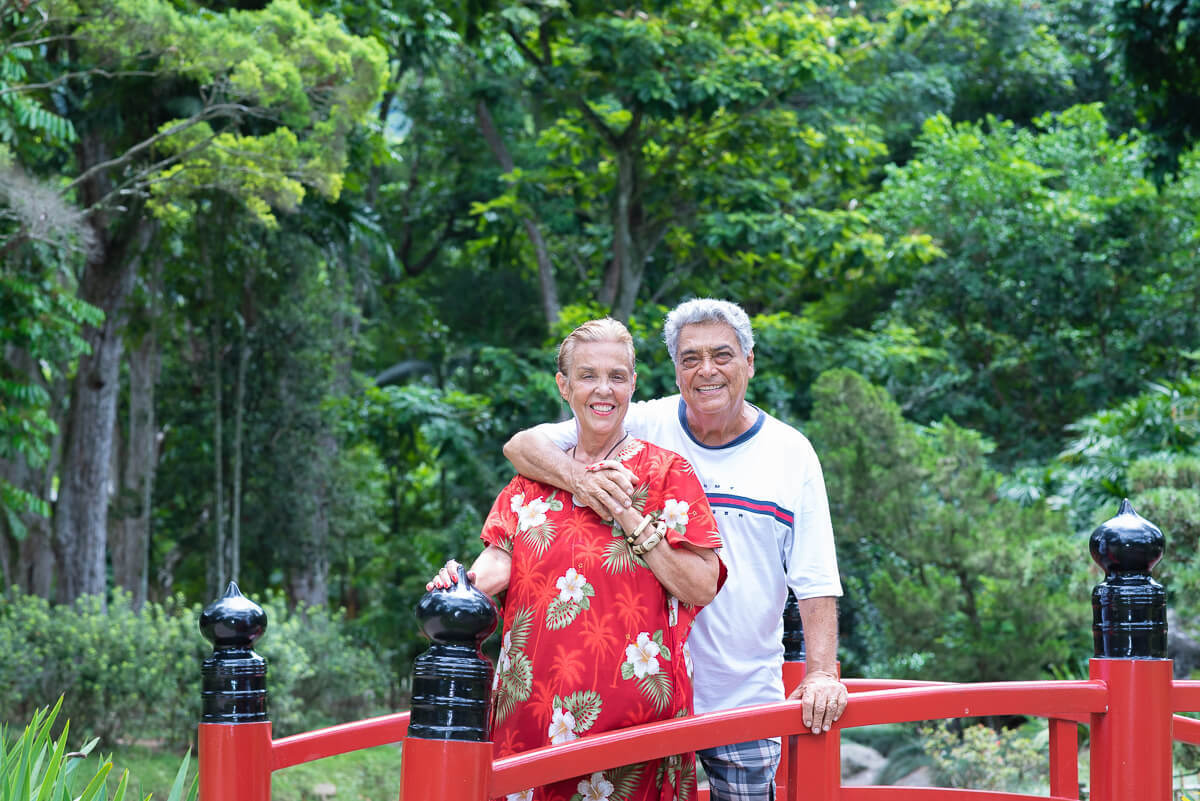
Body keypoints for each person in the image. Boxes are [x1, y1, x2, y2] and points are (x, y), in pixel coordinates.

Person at [504, 298, 847, 801]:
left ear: (750, 362)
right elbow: (523, 446)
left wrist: (819, 674)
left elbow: (815, 580)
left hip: (741, 691)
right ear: (673, 370)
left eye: (723, 355)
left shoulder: (790, 453)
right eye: (690, 358)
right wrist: (584, 483)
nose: (706, 370)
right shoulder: (642, 422)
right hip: (645, 696)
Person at [427, 317, 726, 801]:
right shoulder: (532, 483)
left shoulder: (667, 473)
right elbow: (493, 569)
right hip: (531, 727)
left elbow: (701, 586)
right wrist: (455, 582)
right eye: (587, 376)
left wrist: (628, 514)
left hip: (634, 737)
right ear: (564, 386)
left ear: (633, 384)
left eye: (616, 376)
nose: (602, 390)